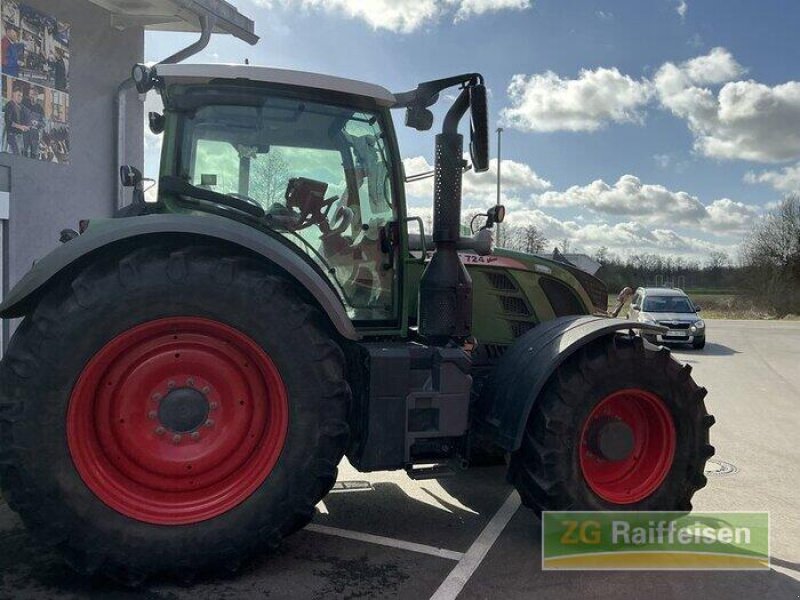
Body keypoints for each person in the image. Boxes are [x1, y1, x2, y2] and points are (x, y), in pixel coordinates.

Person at [4, 86, 30, 155]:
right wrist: (20, 127)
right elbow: (8, 121)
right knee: (17, 154)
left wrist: (26, 126)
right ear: (13, 94)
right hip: (12, 134)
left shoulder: (20, 107)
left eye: (21, 96)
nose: (20, 98)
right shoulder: (9, 105)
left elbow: (25, 118)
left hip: (20, 135)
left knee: (20, 154)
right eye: (18, 95)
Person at [22, 86, 44, 159]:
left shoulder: (40, 109)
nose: (31, 96)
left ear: (37, 96)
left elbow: (43, 124)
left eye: (34, 94)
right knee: (23, 154)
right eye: (30, 94)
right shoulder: (24, 105)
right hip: (24, 134)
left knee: (34, 156)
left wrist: (37, 123)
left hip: (34, 135)